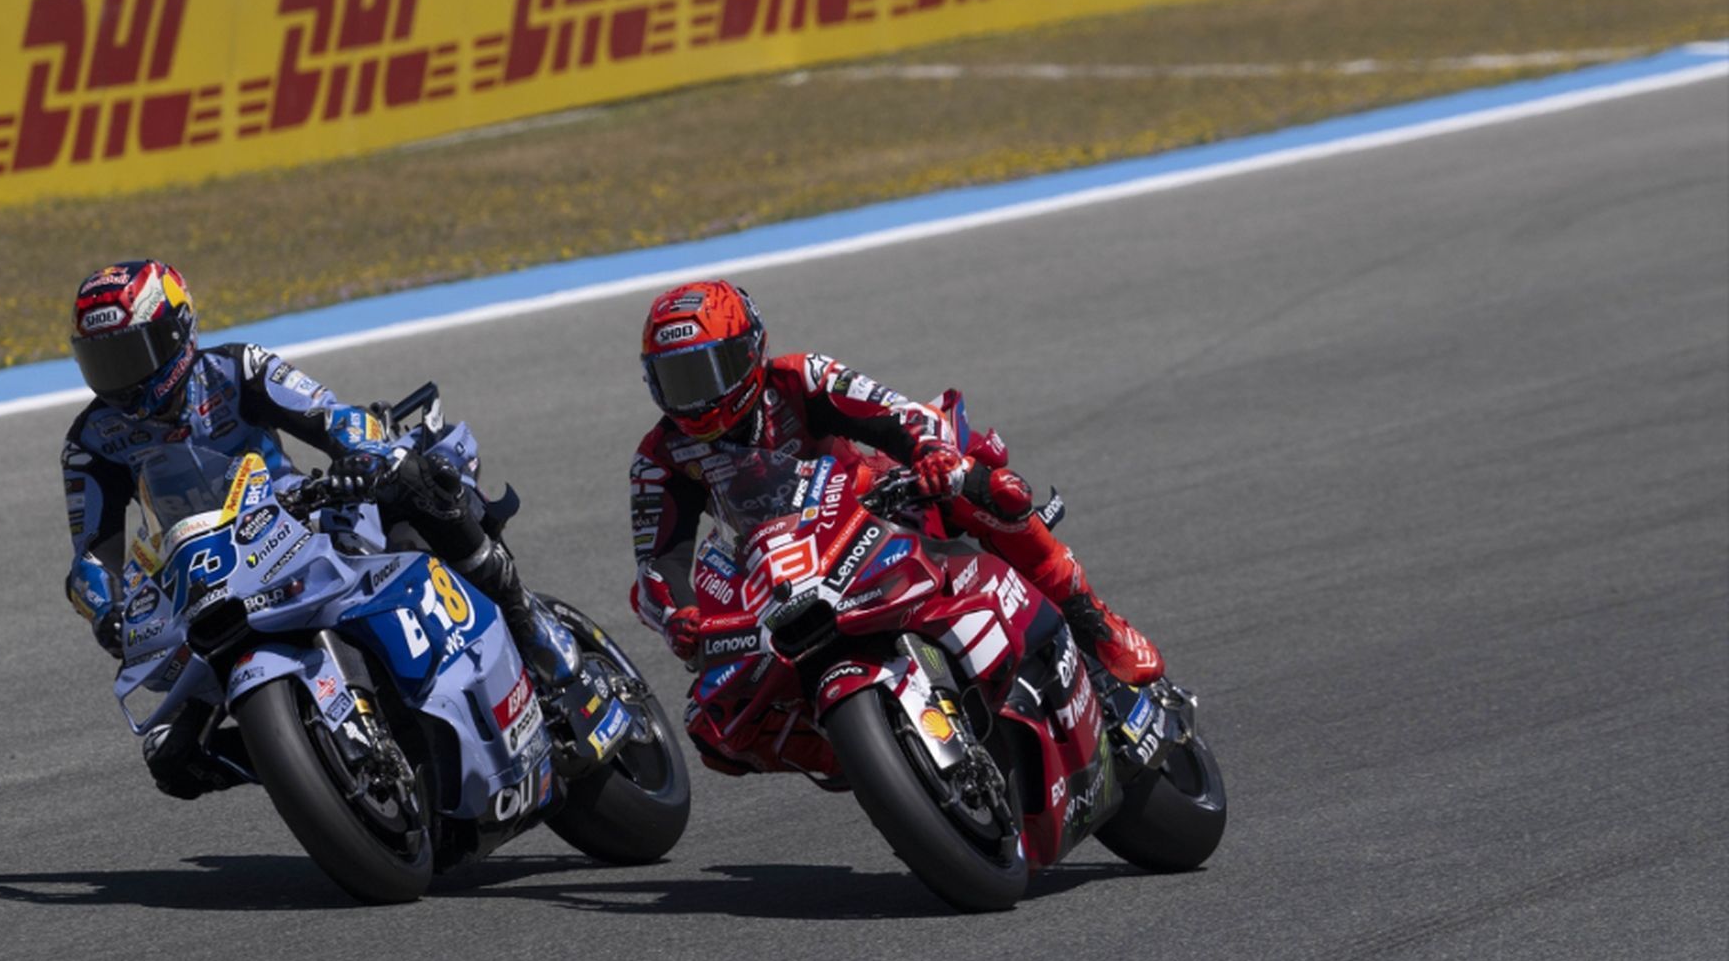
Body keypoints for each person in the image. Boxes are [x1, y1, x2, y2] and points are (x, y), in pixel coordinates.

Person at [62, 259, 575, 799]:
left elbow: (331, 414)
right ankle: (314, 764)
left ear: (178, 332)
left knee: (419, 483)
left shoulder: (238, 369)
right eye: (102, 361)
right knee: (173, 762)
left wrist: (365, 454)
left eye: (130, 354)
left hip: (297, 519)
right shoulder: (91, 440)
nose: (120, 377)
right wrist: (107, 610)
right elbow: (91, 558)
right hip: (207, 578)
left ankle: (525, 621)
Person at [628, 279, 1163, 691]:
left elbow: (896, 413)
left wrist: (930, 454)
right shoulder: (660, 457)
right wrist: (680, 615)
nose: (698, 397)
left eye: (710, 372)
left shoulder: (801, 378)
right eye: (680, 380)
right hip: (776, 570)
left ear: (750, 352)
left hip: (866, 509)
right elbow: (657, 564)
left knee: (988, 490)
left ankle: (1091, 619)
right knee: (717, 703)